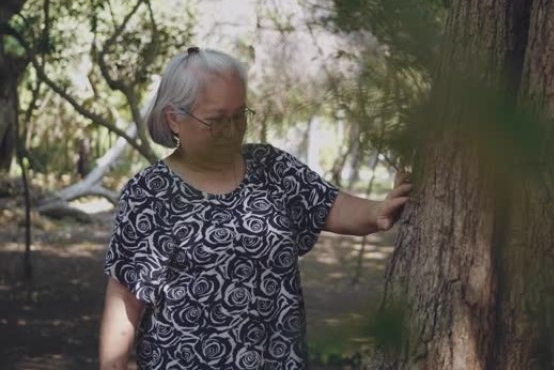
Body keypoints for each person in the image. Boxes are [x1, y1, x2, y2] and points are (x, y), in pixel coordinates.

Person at [98, 47, 412, 370]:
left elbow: (330, 205)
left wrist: (378, 211)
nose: (232, 130)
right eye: (216, 120)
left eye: (239, 116)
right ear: (174, 119)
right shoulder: (149, 194)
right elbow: (125, 300)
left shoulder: (271, 167)